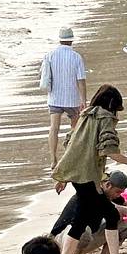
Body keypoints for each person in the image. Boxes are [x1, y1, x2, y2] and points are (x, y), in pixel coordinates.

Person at [52, 85, 127, 254]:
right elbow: (110, 151)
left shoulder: (85, 116)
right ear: (112, 104)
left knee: (82, 222)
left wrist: (64, 176)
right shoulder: (105, 119)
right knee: (109, 216)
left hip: (80, 177)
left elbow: (71, 145)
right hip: (88, 178)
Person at [50, 169, 127, 254]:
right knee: (83, 231)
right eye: (117, 192)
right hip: (62, 240)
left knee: (124, 227)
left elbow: (126, 207)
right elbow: (120, 209)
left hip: (88, 238)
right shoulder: (92, 193)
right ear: (108, 185)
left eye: (121, 192)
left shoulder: (111, 195)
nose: (118, 195)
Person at [43, 26, 88, 165]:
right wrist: (84, 100)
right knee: (74, 128)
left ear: (60, 40)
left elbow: (45, 76)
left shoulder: (50, 55)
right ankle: (70, 155)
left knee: (54, 128)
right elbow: (81, 81)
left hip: (54, 97)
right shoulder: (76, 57)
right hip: (72, 99)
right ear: (71, 40)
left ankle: (53, 159)